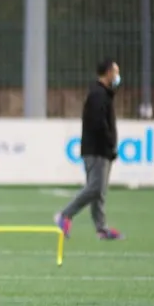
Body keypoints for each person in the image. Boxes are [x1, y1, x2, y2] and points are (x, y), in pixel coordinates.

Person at [54, 58, 123, 240]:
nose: (117, 76)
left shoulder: (103, 93)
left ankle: (101, 228)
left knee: (99, 191)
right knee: (95, 188)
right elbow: (98, 123)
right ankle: (65, 215)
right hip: (97, 150)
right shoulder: (98, 95)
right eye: (115, 72)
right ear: (108, 72)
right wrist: (109, 143)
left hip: (100, 149)